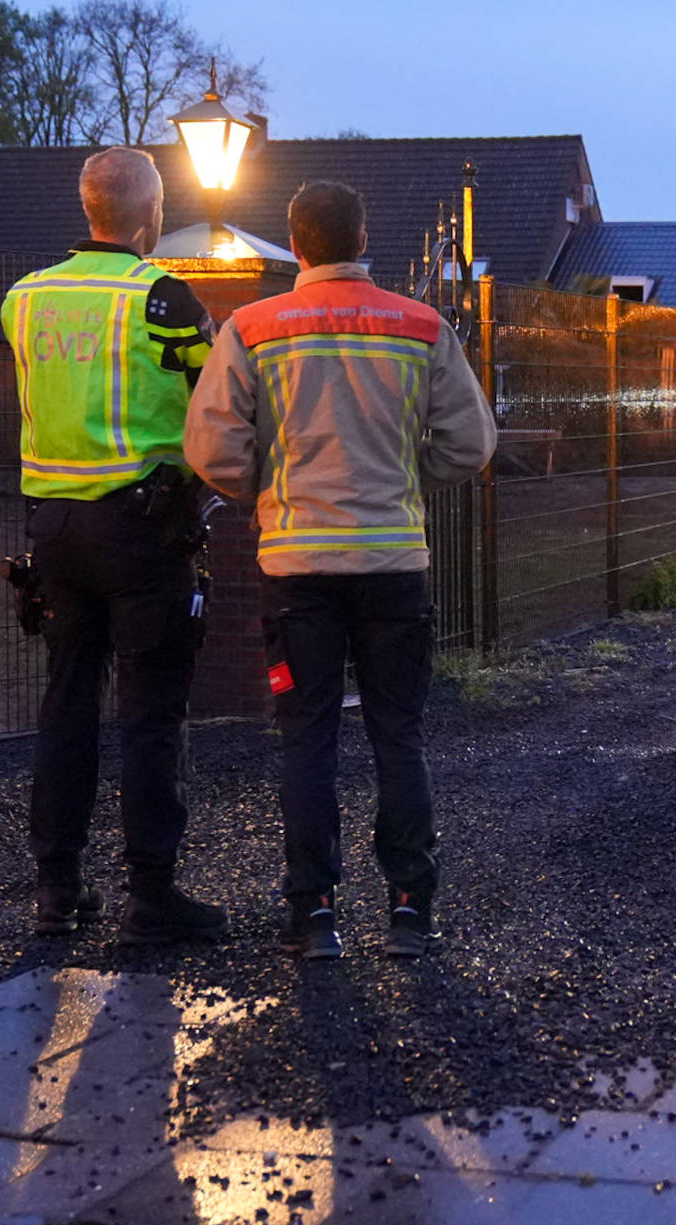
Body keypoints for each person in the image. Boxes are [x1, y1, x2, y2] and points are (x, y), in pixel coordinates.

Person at [184, 181, 496, 960]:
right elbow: (471, 443)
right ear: (363, 240)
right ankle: (409, 911)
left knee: (307, 739)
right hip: (393, 564)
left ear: (295, 245)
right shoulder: (420, 326)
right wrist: (406, 473)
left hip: (297, 567)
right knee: (400, 733)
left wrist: (270, 486)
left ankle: (314, 914)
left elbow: (213, 448)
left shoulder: (252, 328)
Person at [2, 146, 228, 944]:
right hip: (141, 529)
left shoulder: (23, 300)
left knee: (66, 702)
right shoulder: (163, 300)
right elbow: (220, 392)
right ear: (152, 213)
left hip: (53, 530)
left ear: (87, 208)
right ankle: (150, 894)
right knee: (150, 709)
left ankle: (56, 890)